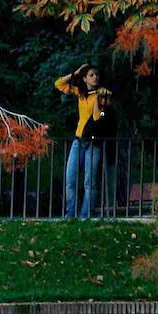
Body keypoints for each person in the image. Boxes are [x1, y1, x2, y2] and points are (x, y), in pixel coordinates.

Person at [54, 63, 112, 218]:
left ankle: (85, 215)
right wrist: (77, 72)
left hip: (94, 142)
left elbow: (98, 117)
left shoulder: (103, 94)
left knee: (89, 182)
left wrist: (98, 99)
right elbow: (59, 84)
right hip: (79, 140)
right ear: (85, 78)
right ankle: (70, 215)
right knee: (70, 179)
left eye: (96, 75)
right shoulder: (80, 93)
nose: (95, 77)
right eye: (91, 75)